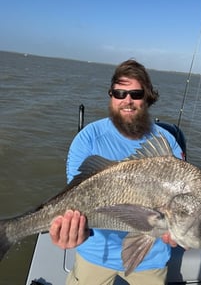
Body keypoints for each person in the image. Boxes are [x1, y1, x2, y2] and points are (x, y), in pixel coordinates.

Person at [50, 59, 184, 285]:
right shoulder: (88, 139)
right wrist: (74, 230)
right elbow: (75, 199)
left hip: (150, 256)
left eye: (136, 94)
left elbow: (179, 200)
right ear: (111, 96)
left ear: (148, 97)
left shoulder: (168, 143)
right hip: (95, 251)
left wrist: (177, 233)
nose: (127, 100)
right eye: (119, 93)